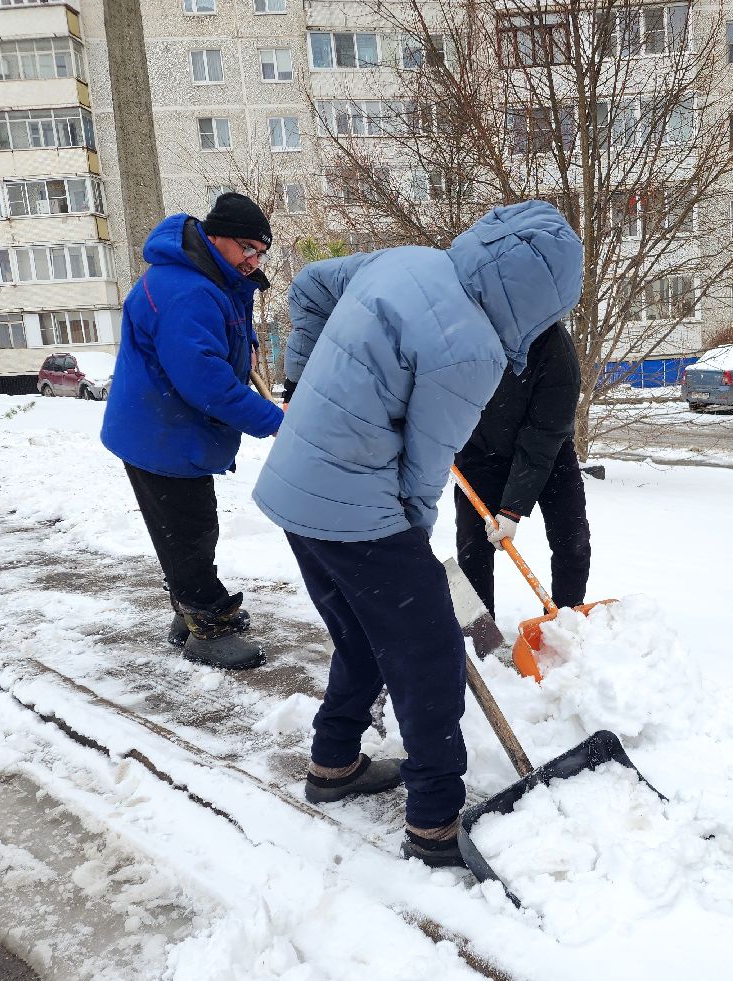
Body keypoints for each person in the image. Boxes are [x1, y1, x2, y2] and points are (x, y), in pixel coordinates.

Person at [253, 200, 583, 868]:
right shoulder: (476, 350)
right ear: (540, 299)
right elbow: (425, 469)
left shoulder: (407, 260)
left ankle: (334, 763)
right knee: (429, 652)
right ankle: (434, 822)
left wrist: (303, 381)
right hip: (357, 507)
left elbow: (310, 285)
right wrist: (414, 550)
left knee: (362, 635)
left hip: (295, 487)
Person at [101, 192, 284, 671]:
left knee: (179, 530)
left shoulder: (205, 281)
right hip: (162, 434)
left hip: (163, 429)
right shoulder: (187, 290)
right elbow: (207, 383)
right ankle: (207, 626)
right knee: (190, 532)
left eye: (261, 252)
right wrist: (273, 422)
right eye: (247, 247)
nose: (253, 260)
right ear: (214, 236)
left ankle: (189, 612)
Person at [453, 321, 590, 618]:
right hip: (480, 449)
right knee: (472, 546)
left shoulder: (555, 348)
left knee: (572, 540)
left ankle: (563, 624)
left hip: (550, 452)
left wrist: (512, 509)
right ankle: (478, 635)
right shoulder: (466, 329)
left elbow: (542, 435)